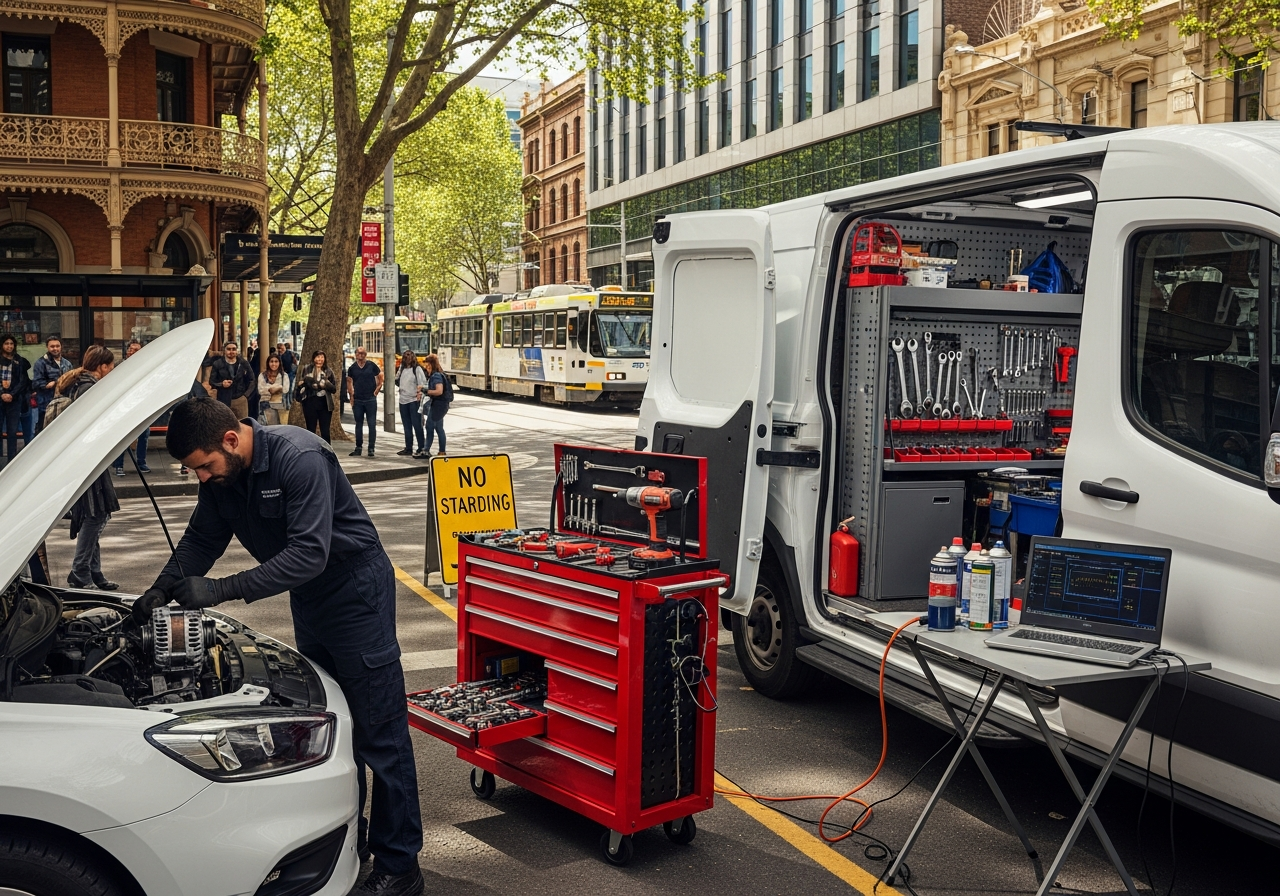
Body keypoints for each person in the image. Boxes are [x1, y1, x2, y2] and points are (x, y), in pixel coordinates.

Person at [132, 398, 423, 895]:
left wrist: (220, 591)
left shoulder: (300, 457)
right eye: (192, 471)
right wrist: (162, 587)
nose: (201, 477)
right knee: (335, 725)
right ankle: (355, 843)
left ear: (231, 439)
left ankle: (401, 867)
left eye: (203, 466)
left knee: (380, 732)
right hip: (310, 597)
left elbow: (310, 553)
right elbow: (202, 539)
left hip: (354, 591)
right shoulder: (225, 477)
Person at [60, 346, 120, 590]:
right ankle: (81, 572)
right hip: (88, 462)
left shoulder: (82, 385)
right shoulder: (89, 388)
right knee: (95, 516)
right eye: (111, 365)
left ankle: (94, 572)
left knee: (94, 514)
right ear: (102, 367)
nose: (113, 370)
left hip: (87, 461)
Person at [113, 340, 153, 475]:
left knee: (144, 434)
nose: (135, 353)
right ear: (128, 351)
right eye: (133, 350)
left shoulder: (145, 367)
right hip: (124, 405)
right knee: (122, 435)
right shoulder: (120, 365)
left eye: (138, 350)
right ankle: (119, 465)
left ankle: (141, 462)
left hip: (141, 405)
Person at [0, 334, 32, 464]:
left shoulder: (19, 361)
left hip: (15, 400)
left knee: (12, 431)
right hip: (0, 399)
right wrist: (2, 393)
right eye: (6, 343)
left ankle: (11, 461)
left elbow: (23, 381)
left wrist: (12, 394)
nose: (9, 346)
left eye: (11, 344)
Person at [346, 346, 383, 458]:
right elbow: (349, 382)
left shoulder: (371, 366)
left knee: (372, 424)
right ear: (355, 354)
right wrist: (351, 396)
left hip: (370, 399)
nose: (361, 355)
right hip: (358, 400)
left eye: (363, 353)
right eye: (358, 353)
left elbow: (380, 378)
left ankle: (371, 448)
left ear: (365, 354)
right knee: (358, 424)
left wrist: (377, 390)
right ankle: (358, 447)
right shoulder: (352, 368)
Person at [32, 335, 73, 432]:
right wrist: (50, 384)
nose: (55, 348)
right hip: (46, 404)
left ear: (61, 346)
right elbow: (36, 383)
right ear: (47, 347)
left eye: (57, 346)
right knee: (44, 432)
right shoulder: (41, 363)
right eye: (52, 346)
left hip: (63, 403)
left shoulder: (67, 363)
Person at [295, 350, 337, 441]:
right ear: (314, 358)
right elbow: (302, 383)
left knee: (325, 431)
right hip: (310, 401)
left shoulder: (328, 371)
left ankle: (327, 452)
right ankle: (312, 450)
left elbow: (334, 389)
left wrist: (326, 383)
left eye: (322, 357)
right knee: (310, 430)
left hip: (325, 404)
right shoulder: (307, 369)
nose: (320, 359)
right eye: (317, 357)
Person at [394, 351, 427, 458]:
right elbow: (396, 379)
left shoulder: (417, 369)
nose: (406, 358)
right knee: (406, 426)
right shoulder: (402, 368)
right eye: (405, 356)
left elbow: (422, 384)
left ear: (413, 357)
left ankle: (421, 447)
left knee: (417, 425)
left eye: (409, 356)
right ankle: (408, 447)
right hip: (403, 400)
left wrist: (419, 396)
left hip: (414, 401)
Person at [209, 341, 254, 418]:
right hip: (223, 399)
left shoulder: (243, 363)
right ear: (224, 350)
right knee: (224, 424)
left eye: (234, 349)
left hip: (240, 399)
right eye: (229, 349)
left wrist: (246, 395)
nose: (231, 351)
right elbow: (212, 381)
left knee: (243, 424)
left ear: (237, 350)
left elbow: (252, 380)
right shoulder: (217, 363)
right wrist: (221, 384)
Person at [421, 353, 451, 457]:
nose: (426, 368)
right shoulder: (439, 374)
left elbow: (439, 391)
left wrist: (426, 391)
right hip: (441, 405)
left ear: (431, 365)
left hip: (438, 405)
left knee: (429, 427)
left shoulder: (436, 376)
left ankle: (426, 450)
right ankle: (441, 452)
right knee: (438, 428)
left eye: (428, 366)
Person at [258, 353, 290, 425]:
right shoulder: (262, 375)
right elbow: (261, 390)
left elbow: (286, 389)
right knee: (270, 428)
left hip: (281, 406)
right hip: (266, 405)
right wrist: (277, 387)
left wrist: (277, 388)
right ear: (268, 363)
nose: (274, 364)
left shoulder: (284, 375)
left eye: (276, 361)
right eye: (271, 361)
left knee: (282, 428)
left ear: (279, 363)